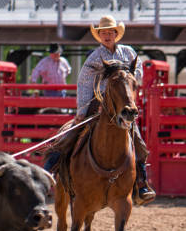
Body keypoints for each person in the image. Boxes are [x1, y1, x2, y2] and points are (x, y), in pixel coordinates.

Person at [45, 15, 155, 205]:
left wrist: (125, 90)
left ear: (115, 34)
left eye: (109, 32)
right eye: (103, 33)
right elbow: (85, 83)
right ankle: (50, 169)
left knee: (138, 142)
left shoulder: (128, 54)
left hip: (121, 105)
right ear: (99, 36)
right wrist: (83, 109)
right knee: (70, 134)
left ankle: (141, 182)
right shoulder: (95, 58)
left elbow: (137, 74)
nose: (106, 36)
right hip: (99, 104)